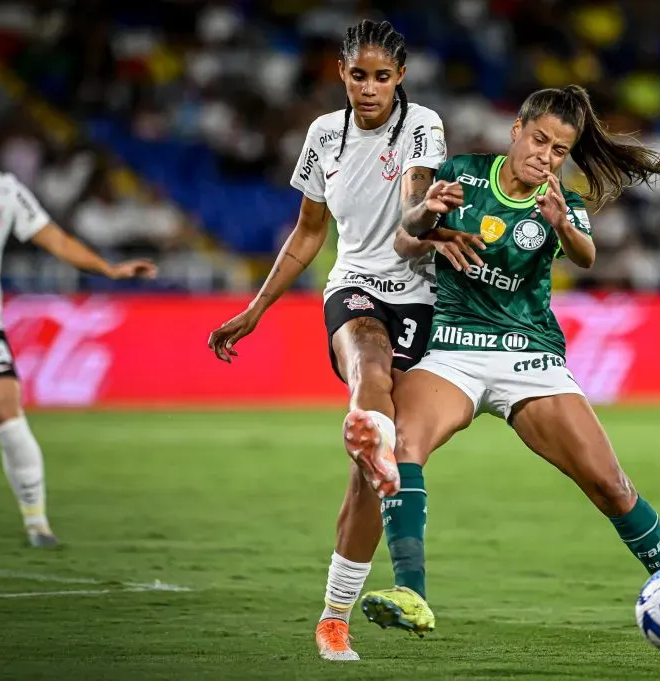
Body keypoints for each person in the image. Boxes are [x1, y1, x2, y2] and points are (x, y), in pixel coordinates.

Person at [359, 85, 660, 663]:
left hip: (529, 358)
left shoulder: (559, 199)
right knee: (403, 443)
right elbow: (405, 242)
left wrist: (563, 223)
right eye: (539, 140)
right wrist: (424, 215)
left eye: (559, 149)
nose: (546, 156)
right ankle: (411, 593)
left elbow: (586, 256)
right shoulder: (463, 175)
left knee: (609, 484)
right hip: (455, 347)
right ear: (516, 131)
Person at [205, 20, 482, 662]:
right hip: (354, 284)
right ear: (341, 74)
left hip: (420, 292)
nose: (369, 87)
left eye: (381, 76)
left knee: (368, 477)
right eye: (358, 74)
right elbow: (307, 233)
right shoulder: (322, 137)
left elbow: (416, 193)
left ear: (400, 78)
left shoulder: (423, 125)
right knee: (369, 360)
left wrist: (428, 219)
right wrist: (257, 307)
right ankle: (368, 426)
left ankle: (334, 615)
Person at [0, 103, 157, 548]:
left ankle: (37, 523)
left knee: (10, 421)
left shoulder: (5, 191)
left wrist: (108, 268)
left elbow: (55, 239)